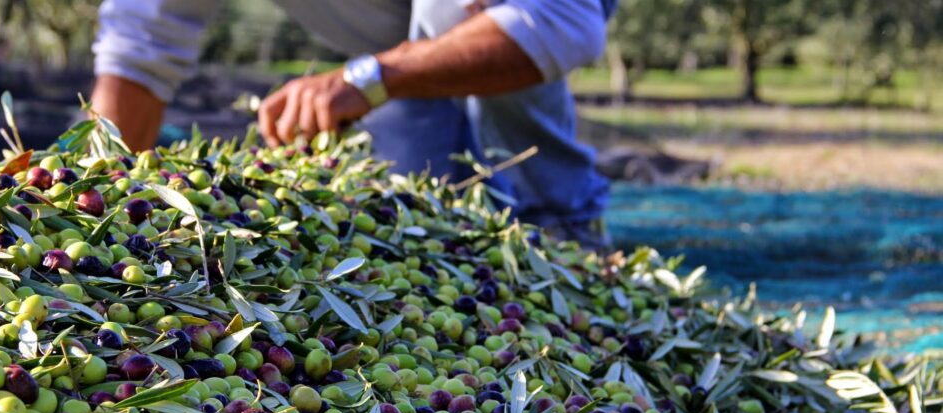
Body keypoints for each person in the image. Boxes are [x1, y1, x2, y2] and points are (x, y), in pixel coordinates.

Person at [91, 0, 618, 248]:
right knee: (427, 232)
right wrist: (95, 199)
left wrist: (368, 79)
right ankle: (455, 231)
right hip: (387, 36)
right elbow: (137, 51)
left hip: (493, 11)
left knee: (450, 12)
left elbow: (563, 21)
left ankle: (563, 222)